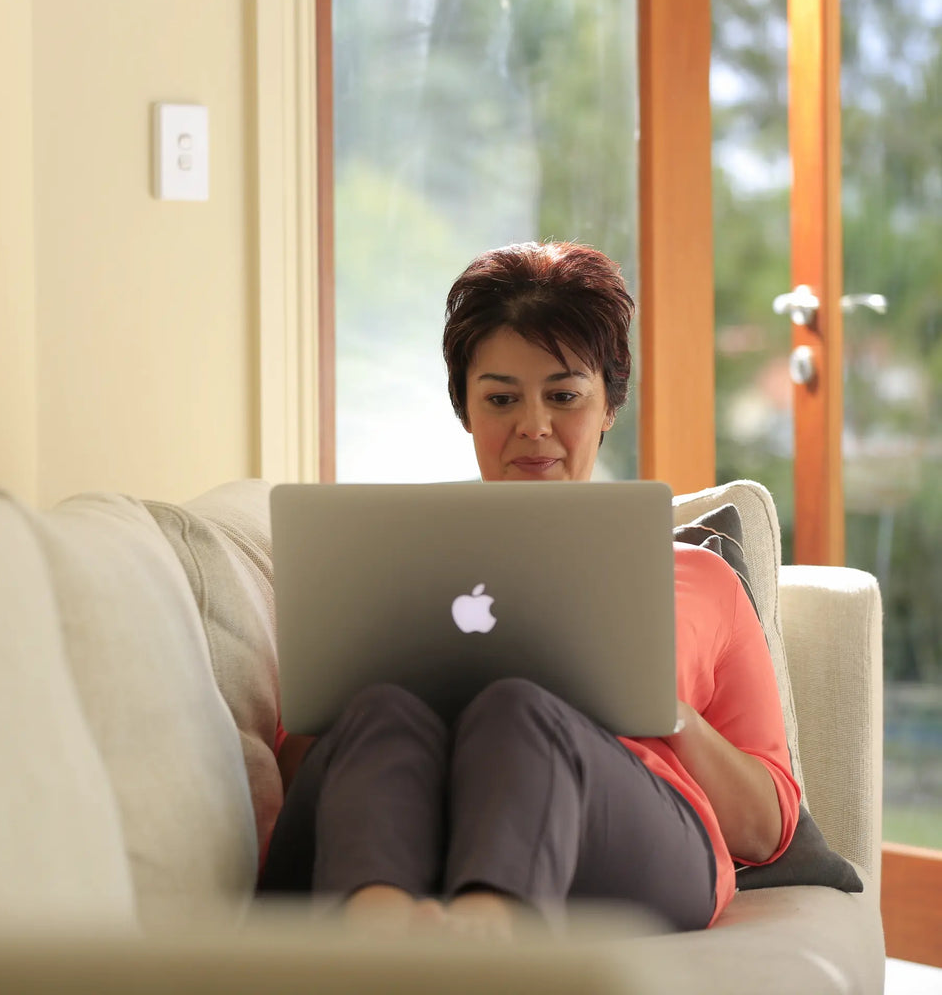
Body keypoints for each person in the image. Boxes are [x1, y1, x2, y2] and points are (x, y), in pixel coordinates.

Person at [258, 241, 800, 936]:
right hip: (392, 823)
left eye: (565, 395)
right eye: (502, 398)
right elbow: (298, 774)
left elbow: (767, 829)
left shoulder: (701, 578)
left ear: (608, 406)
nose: (534, 426)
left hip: (622, 833)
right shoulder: (376, 556)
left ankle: (484, 934)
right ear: (466, 410)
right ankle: (386, 935)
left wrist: (663, 712)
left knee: (520, 708)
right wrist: (368, 682)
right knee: (384, 711)